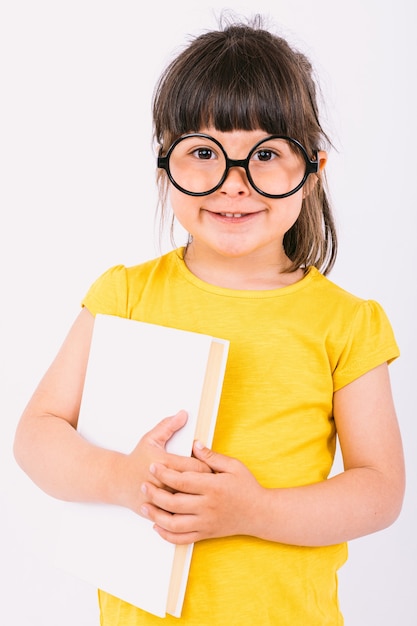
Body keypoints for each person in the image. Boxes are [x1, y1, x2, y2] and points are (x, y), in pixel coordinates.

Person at [13, 14, 405, 626]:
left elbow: (380, 490)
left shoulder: (348, 323)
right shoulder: (124, 295)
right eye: (203, 152)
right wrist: (121, 478)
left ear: (314, 171)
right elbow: (36, 433)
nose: (235, 184)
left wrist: (254, 512)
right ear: (164, 163)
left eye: (267, 154)